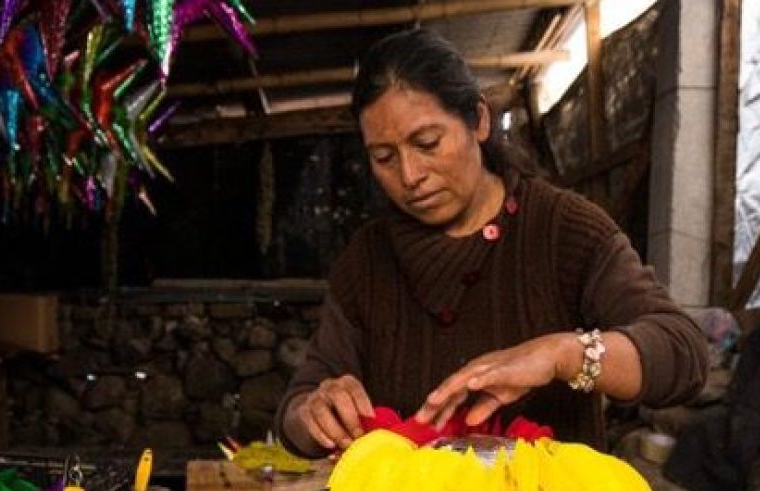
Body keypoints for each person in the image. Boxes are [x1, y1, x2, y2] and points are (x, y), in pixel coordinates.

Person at [275, 28, 707, 457]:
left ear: (479, 120)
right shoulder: (365, 262)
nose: (410, 175)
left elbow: (682, 354)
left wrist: (564, 354)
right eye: (383, 157)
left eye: (427, 143)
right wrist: (315, 413)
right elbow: (296, 414)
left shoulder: (563, 230)